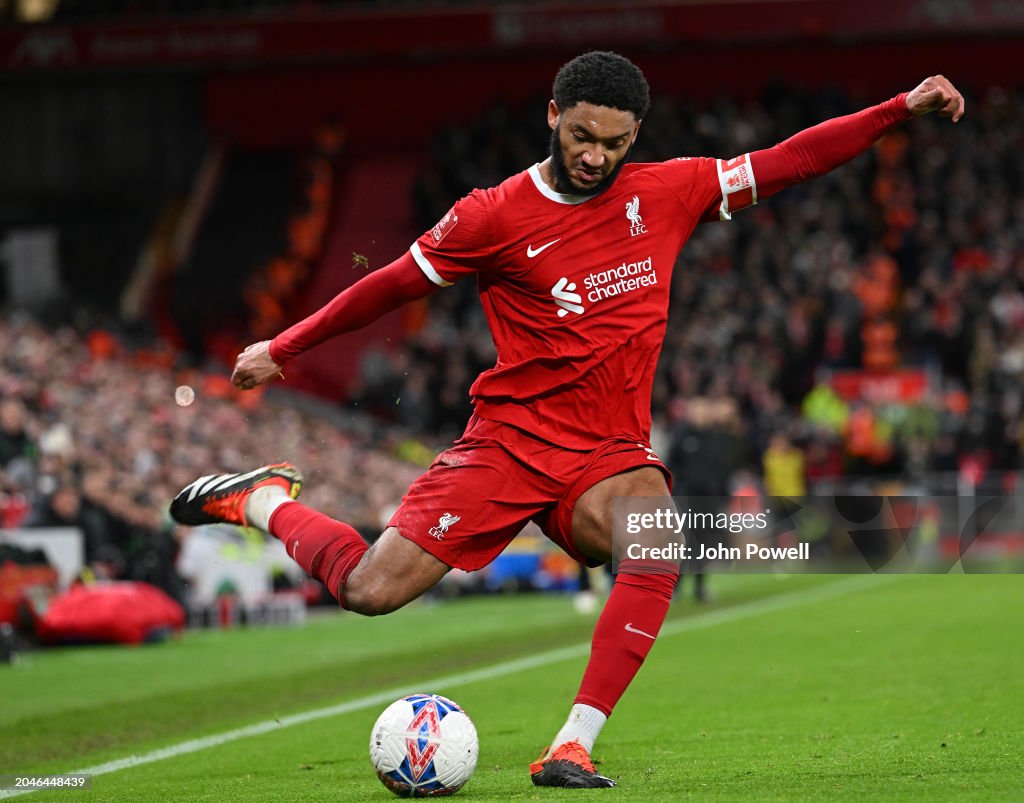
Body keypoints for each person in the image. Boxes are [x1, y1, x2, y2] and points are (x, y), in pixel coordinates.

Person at [170, 52, 964, 788]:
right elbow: (389, 285)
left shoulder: (668, 191)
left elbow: (792, 159)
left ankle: (571, 743)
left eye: (613, 143)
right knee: (368, 591)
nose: (594, 156)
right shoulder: (492, 215)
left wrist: (897, 108)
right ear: (553, 115)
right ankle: (264, 499)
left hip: (608, 454)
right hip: (508, 444)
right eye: (582, 135)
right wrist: (284, 346)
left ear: (635, 135)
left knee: (656, 534)